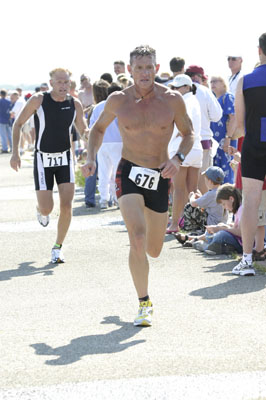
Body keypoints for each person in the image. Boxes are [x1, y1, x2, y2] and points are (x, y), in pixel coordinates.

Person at [82, 45, 194, 326]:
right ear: (130, 70)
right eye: (138, 68)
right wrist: (91, 156)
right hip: (129, 171)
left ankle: (145, 256)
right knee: (137, 238)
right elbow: (97, 129)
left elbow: (188, 133)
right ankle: (144, 303)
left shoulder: (171, 100)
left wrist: (178, 158)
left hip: (159, 175)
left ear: (156, 69)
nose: (144, 73)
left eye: (149, 67)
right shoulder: (118, 100)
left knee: (154, 249)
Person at [10, 68, 89, 264]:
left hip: (64, 158)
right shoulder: (39, 100)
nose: (64, 86)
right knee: (47, 208)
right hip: (43, 159)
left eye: (67, 82)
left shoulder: (75, 103)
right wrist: (15, 153)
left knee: (66, 205)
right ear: (51, 82)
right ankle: (40, 209)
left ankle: (57, 247)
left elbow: (83, 129)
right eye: (60, 82)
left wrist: (93, 139)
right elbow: (18, 124)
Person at [231, 33, 266, 276]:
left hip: (254, 144)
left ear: (259, 50)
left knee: (251, 200)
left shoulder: (244, 81)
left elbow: (240, 124)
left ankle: (246, 260)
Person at [167, 74, 202, 234]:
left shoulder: (184, 102)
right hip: (196, 148)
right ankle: (193, 222)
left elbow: (184, 129)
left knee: (178, 189)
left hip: (183, 148)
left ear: (187, 87)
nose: (174, 90)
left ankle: (175, 224)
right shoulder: (195, 101)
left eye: (177, 87)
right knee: (193, 189)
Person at [185, 65, 223, 194]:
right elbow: (217, 116)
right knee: (203, 185)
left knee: (183, 186)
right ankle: (203, 213)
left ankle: (182, 214)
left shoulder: (177, 90)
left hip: (180, 144)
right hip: (202, 142)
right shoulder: (204, 91)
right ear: (197, 77)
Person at [210, 76, 237, 183]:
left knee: (227, 172)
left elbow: (233, 118)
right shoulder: (214, 99)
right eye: (211, 81)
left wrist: (228, 138)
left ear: (223, 83)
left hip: (225, 141)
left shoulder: (228, 97)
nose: (212, 84)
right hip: (215, 142)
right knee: (215, 174)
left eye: (216, 81)